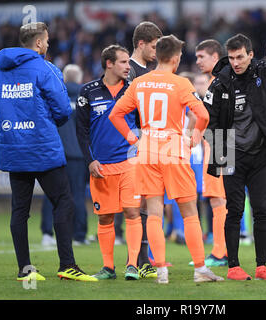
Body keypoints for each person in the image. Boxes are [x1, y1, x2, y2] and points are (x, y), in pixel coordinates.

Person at [0, 22, 97, 282]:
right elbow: (61, 109)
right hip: (43, 148)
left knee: (19, 210)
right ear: (38, 43)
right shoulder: (45, 68)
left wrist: (13, 124)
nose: (47, 44)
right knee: (64, 201)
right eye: (46, 41)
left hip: (14, 149)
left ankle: (25, 269)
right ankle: (67, 265)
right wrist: (41, 123)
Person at [110, 34, 223, 284]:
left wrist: (134, 139)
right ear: (174, 57)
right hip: (173, 147)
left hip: (147, 148)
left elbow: (116, 115)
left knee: (153, 212)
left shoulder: (139, 82)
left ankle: (160, 270)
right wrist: (194, 137)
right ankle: (201, 270)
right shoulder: (181, 83)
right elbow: (202, 114)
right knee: (189, 212)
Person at [203, 33, 266, 281]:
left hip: (259, 156)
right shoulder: (219, 83)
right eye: (232, 57)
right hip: (232, 155)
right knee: (233, 211)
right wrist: (220, 154)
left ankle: (262, 266)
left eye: (240, 56)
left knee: (261, 211)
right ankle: (233, 266)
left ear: (251, 55)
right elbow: (207, 120)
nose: (236, 62)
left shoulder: (261, 71)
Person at [76, 44, 143, 280]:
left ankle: (132, 265)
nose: (128, 66)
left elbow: (143, 124)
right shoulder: (88, 91)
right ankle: (108, 267)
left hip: (130, 162)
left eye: (128, 62)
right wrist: (90, 160)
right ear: (109, 64)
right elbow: (81, 131)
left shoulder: (134, 90)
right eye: (124, 62)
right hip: (101, 166)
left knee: (132, 211)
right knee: (105, 217)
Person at [113, 22, 162, 277]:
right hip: (133, 144)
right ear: (141, 44)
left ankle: (143, 259)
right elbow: (125, 109)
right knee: (136, 205)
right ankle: (138, 261)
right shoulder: (129, 71)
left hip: (149, 142)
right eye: (153, 46)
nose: (156, 51)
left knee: (146, 202)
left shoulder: (149, 70)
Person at [41, 64, 90, 247]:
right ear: (79, 79)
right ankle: (79, 235)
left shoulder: (55, 95)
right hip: (78, 154)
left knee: (51, 194)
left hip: (56, 152)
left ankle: (47, 233)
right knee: (77, 195)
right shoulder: (85, 98)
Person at [195, 39, 228, 267]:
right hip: (216, 142)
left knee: (219, 200)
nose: (198, 62)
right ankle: (221, 251)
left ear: (215, 57)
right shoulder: (217, 81)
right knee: (218, 200)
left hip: (220, 142)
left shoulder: (221, 82)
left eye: (201, 57)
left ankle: (220, 252)